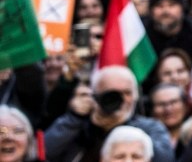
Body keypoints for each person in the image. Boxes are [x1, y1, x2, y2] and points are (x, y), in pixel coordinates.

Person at [44, 66, 174, 162]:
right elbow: (45, 152)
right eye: (112, 93)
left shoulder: (150, 128)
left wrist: (125, 127)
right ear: (95, 96)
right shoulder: (79, 124)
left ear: (135, 97)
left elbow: (166, 159)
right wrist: (74, 119)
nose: (121, 100)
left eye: (127, 93)